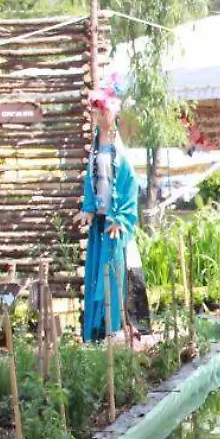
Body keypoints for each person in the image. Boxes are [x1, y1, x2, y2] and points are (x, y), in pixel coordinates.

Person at [82, 93, 140, 343]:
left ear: (112, 113)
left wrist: (122, 218)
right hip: (99, 225)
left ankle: (116, 328)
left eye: (101, 111)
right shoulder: (96, 146)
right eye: (95, 112)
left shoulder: (119, 150)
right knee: (97, 274)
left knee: (115, 274)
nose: (97, 117)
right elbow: (90, 179)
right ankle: (96, 330)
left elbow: (130, 183)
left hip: (114, 226)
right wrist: (88, 207)